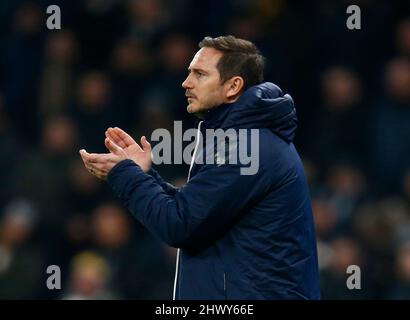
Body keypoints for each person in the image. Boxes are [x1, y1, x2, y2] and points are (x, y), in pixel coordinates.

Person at [79, 35, 320, 299]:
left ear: (233, 87)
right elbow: (196, 210)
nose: (186, 82)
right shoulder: (246, 138)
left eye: (200, 74)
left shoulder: (245, 146)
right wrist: (143, 174)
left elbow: (179, 224)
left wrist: (124, 175)